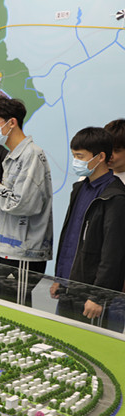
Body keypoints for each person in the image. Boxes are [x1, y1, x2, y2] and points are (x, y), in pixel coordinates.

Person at [0, 98, 53, 304]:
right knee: (2, 304)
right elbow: (7, 204)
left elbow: (23, 204)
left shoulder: (31, 155)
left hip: (23, 251)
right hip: (7, 246)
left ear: (12, 122)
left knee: (16, 307)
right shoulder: (13, 156)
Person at [50, 127, 125, 331]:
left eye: (80, 156)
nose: (76, 161)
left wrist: (98, 296)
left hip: (91, 294)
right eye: (74, 156)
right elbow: (69, 238)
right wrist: (59, 278)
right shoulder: (79, 188)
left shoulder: (115, 197)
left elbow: (113, 254)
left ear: (100, 157)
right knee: (61, 340)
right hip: (68, 286)